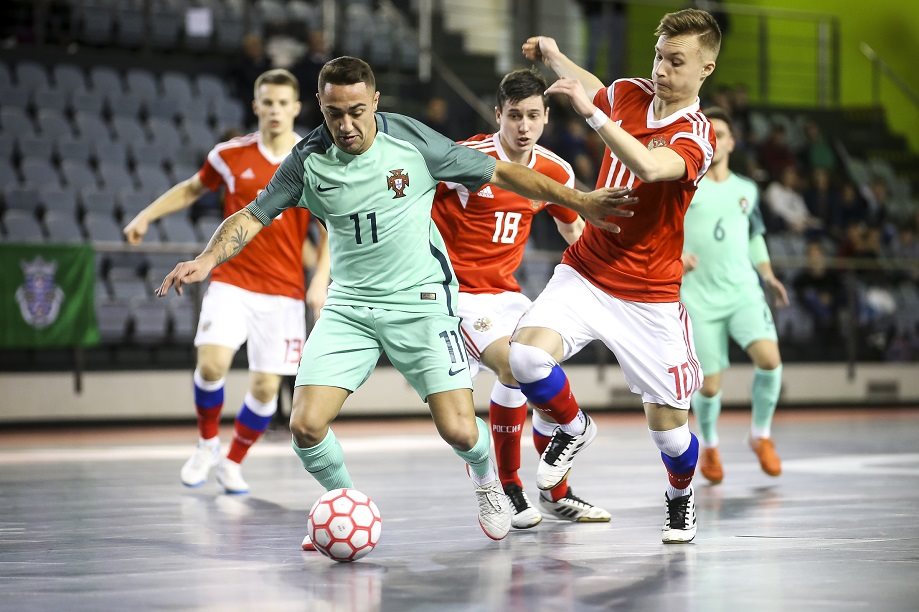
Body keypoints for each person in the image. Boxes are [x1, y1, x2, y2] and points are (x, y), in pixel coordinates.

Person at [155, 56, 636, 546]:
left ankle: (490, 481)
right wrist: (208, 258)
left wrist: (580, 201)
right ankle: (346, 502)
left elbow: (503, 174)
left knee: (460, 431)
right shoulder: (306, 160)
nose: (345, 125)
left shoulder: (412, 140)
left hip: (422, 301)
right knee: (304, 425)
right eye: (334, 113)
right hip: (350, 307)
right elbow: (253, 214)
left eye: (357, 111)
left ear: (376, 102)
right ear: (320, 106)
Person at [515, 7, 722, 543]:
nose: (661, 69)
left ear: (706, 68)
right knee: (525, 356)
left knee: (669, 431)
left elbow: (652, 168)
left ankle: (680, 499)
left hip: (649, 296)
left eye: (676, 61)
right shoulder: (628, 93)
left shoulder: (696, 134)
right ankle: (574, 428)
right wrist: (558, 57)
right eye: (658, 55)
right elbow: (600, 89)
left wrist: (591, 116)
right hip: (587, 270)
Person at [124, 69, 327, 495]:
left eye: (282, 103)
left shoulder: (314, 158)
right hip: (232, 280)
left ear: (296, 108)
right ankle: (206, 445)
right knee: (211, 364)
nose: (274, 110)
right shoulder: (229, 155)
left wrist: (319, 279)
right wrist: (146, 215)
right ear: (256, 106)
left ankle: (233, 463)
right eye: (266, 102)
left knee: (266, 387)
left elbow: (328, 228)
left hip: (284, 292)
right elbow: (192, 189)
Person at [431, 68, 613, 529]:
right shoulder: (467, 159)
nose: (524, 126)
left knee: (533, 370)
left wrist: (605, 280)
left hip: (509, 294)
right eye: (515, 115)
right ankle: (522, 476)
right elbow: (414, 200)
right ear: (499, 115)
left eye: (533, 115)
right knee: (512, 366)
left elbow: (573, 229)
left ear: (546, 117)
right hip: (460, 295)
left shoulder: (556, 170)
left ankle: (554, 491)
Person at [680, 107, 789, 485]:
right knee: (710, 385)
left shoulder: (747, 189)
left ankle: (760, 436)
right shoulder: (685, 184)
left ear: (731, 142)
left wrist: (768, 275)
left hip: (743, 291)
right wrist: (676, 256)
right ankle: (709, 445)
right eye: (708, 132)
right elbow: (662, 230)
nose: (715, 138)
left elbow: (755, 235)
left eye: (721, 132)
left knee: (770, 361)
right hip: (698, 296)